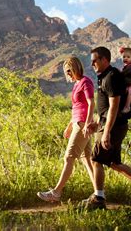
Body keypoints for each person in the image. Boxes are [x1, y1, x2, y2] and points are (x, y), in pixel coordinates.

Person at [85, 46, 131, 209]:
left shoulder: (111, 76)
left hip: (113, 127)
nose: (92, 65)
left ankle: (99, 198)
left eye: (94, 61)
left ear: (104, 59)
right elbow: (105, 108)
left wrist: (106, 132)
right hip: (111, 125)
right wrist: (97, 123)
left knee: (96, 159)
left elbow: (114, 106)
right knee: (113, 162)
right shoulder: (104, 76)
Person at [37, 56, 96, 202]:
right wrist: (69, 126)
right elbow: (76, 108)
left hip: (83, 124)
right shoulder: (76, 84)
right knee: (87, 159)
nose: (68, 74)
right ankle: (99, 193)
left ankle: (56, 193)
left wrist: (87, 124)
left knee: (69, 157)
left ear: (76, 68)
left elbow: (91, 103)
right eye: (66, 71)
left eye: (69, 70)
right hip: (77, 123)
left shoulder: (85, 82)